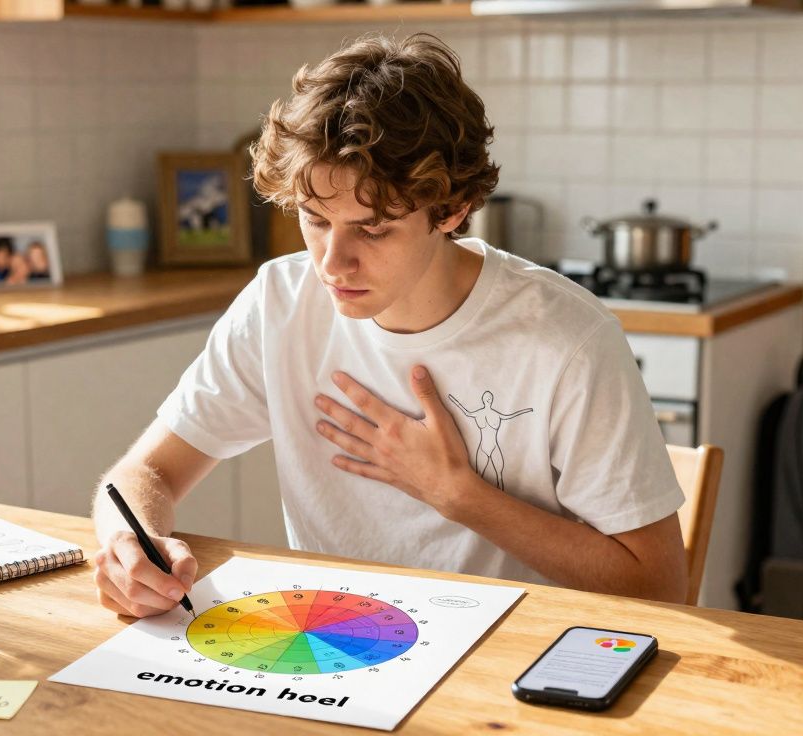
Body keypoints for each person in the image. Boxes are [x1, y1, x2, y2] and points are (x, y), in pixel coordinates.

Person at [91, 33, 688, 619]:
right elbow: (146, 473)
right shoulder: (280, 301)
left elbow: (659, 586)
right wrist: (129, 543)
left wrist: (459, 495)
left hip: (516, 661)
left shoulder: (568, 339)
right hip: (331, 643)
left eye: (373, 229)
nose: (331, 263)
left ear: (451, 209)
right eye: (315, 219)